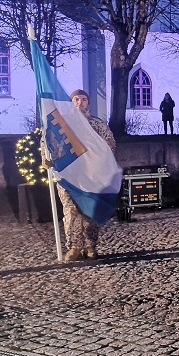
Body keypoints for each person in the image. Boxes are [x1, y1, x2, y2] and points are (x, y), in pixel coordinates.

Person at [42, 89, 117, 262]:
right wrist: (45, 157)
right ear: (71, 102)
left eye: (83, 99)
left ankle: (90, 245)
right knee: (71, 211)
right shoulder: (61, 123)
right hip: (67, 175)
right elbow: (47, 141)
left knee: (89, 210)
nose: (80, 103)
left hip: (91, 176)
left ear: (88, 103)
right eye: (76, 99)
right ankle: (74, 247)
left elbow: (110, 145)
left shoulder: (97, 125)